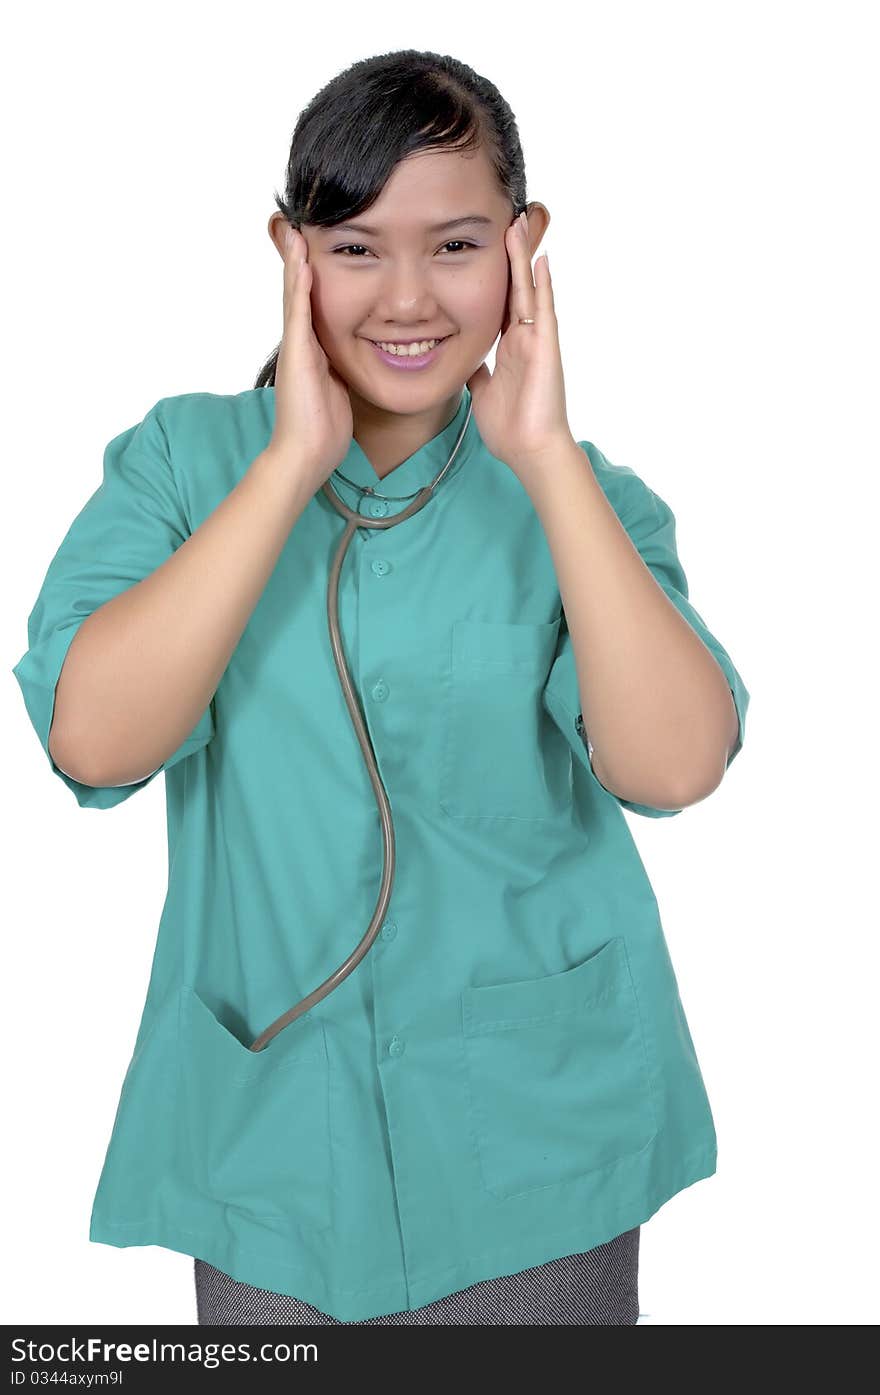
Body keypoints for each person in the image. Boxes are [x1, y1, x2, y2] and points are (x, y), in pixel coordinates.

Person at [11, 49, 749, 1327]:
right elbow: (94, 743)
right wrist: (293, 460)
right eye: (354, 249)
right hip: (274, 1138)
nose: (406, 298)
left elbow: (673, 765)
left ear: (525, 247)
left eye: (455, 245)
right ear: (288, 252)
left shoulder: (585, 504)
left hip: (535, 1142)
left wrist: (545, 454)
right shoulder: (184, 464)